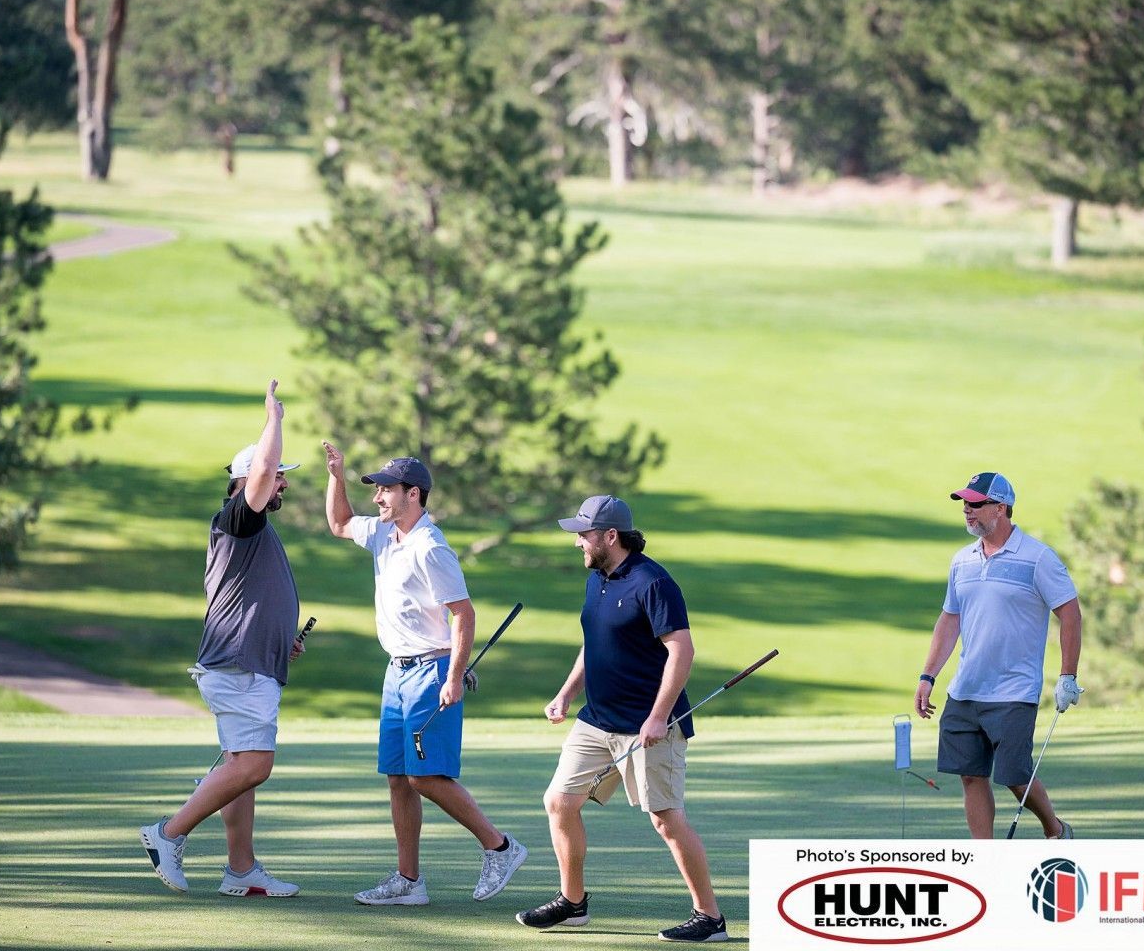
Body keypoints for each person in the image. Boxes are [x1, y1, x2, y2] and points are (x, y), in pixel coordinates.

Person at [321, 442, 526, 906]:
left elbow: (464, 615)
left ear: (413, 494)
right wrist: (337, 475)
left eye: (386, 490)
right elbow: (338, 523)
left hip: (430, 670)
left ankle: (500, 847)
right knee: (398, 777)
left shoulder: (431, 548)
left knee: (425, 777)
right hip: (396, 672)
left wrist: (453, 677)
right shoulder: (383, 534)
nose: (377, 498)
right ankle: (408, 882)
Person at [517, 495, 727, 943]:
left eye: (584, 534)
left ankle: (709, 917)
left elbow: (682, 651)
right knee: (559, 801)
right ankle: (573, 904)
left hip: (646, 725)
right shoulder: (599, 579)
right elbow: (594, 642)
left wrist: (658, 716)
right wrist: (566, 693)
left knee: (666, 819)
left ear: (610, 536)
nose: (577, 542)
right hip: (596, 720)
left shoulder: (653, 582)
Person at [139, 379, 306, 897]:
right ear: (250, 481)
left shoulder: (254, 530)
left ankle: (240, 869)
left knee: (242, 766)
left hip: (250, 662)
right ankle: (167, 833)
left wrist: (281, 639)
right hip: (237, 667)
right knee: (255, 764)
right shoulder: (238, 520)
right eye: (279, 477)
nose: (282, 485)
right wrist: (273, 421)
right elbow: (258, 477)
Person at [914, 471, 1084, 840]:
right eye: (964, 504)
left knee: (1015, 777)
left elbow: (1069, 612)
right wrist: (928, 676)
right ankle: (984, 859)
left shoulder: (1037, 558)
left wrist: (1067, 675)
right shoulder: (962, 561)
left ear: (1001, 508)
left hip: (1013, 690)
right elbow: (950, 619)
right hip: (965, 689)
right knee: (971, 775)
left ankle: (1055, 830)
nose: (967, 511)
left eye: (976, 504)